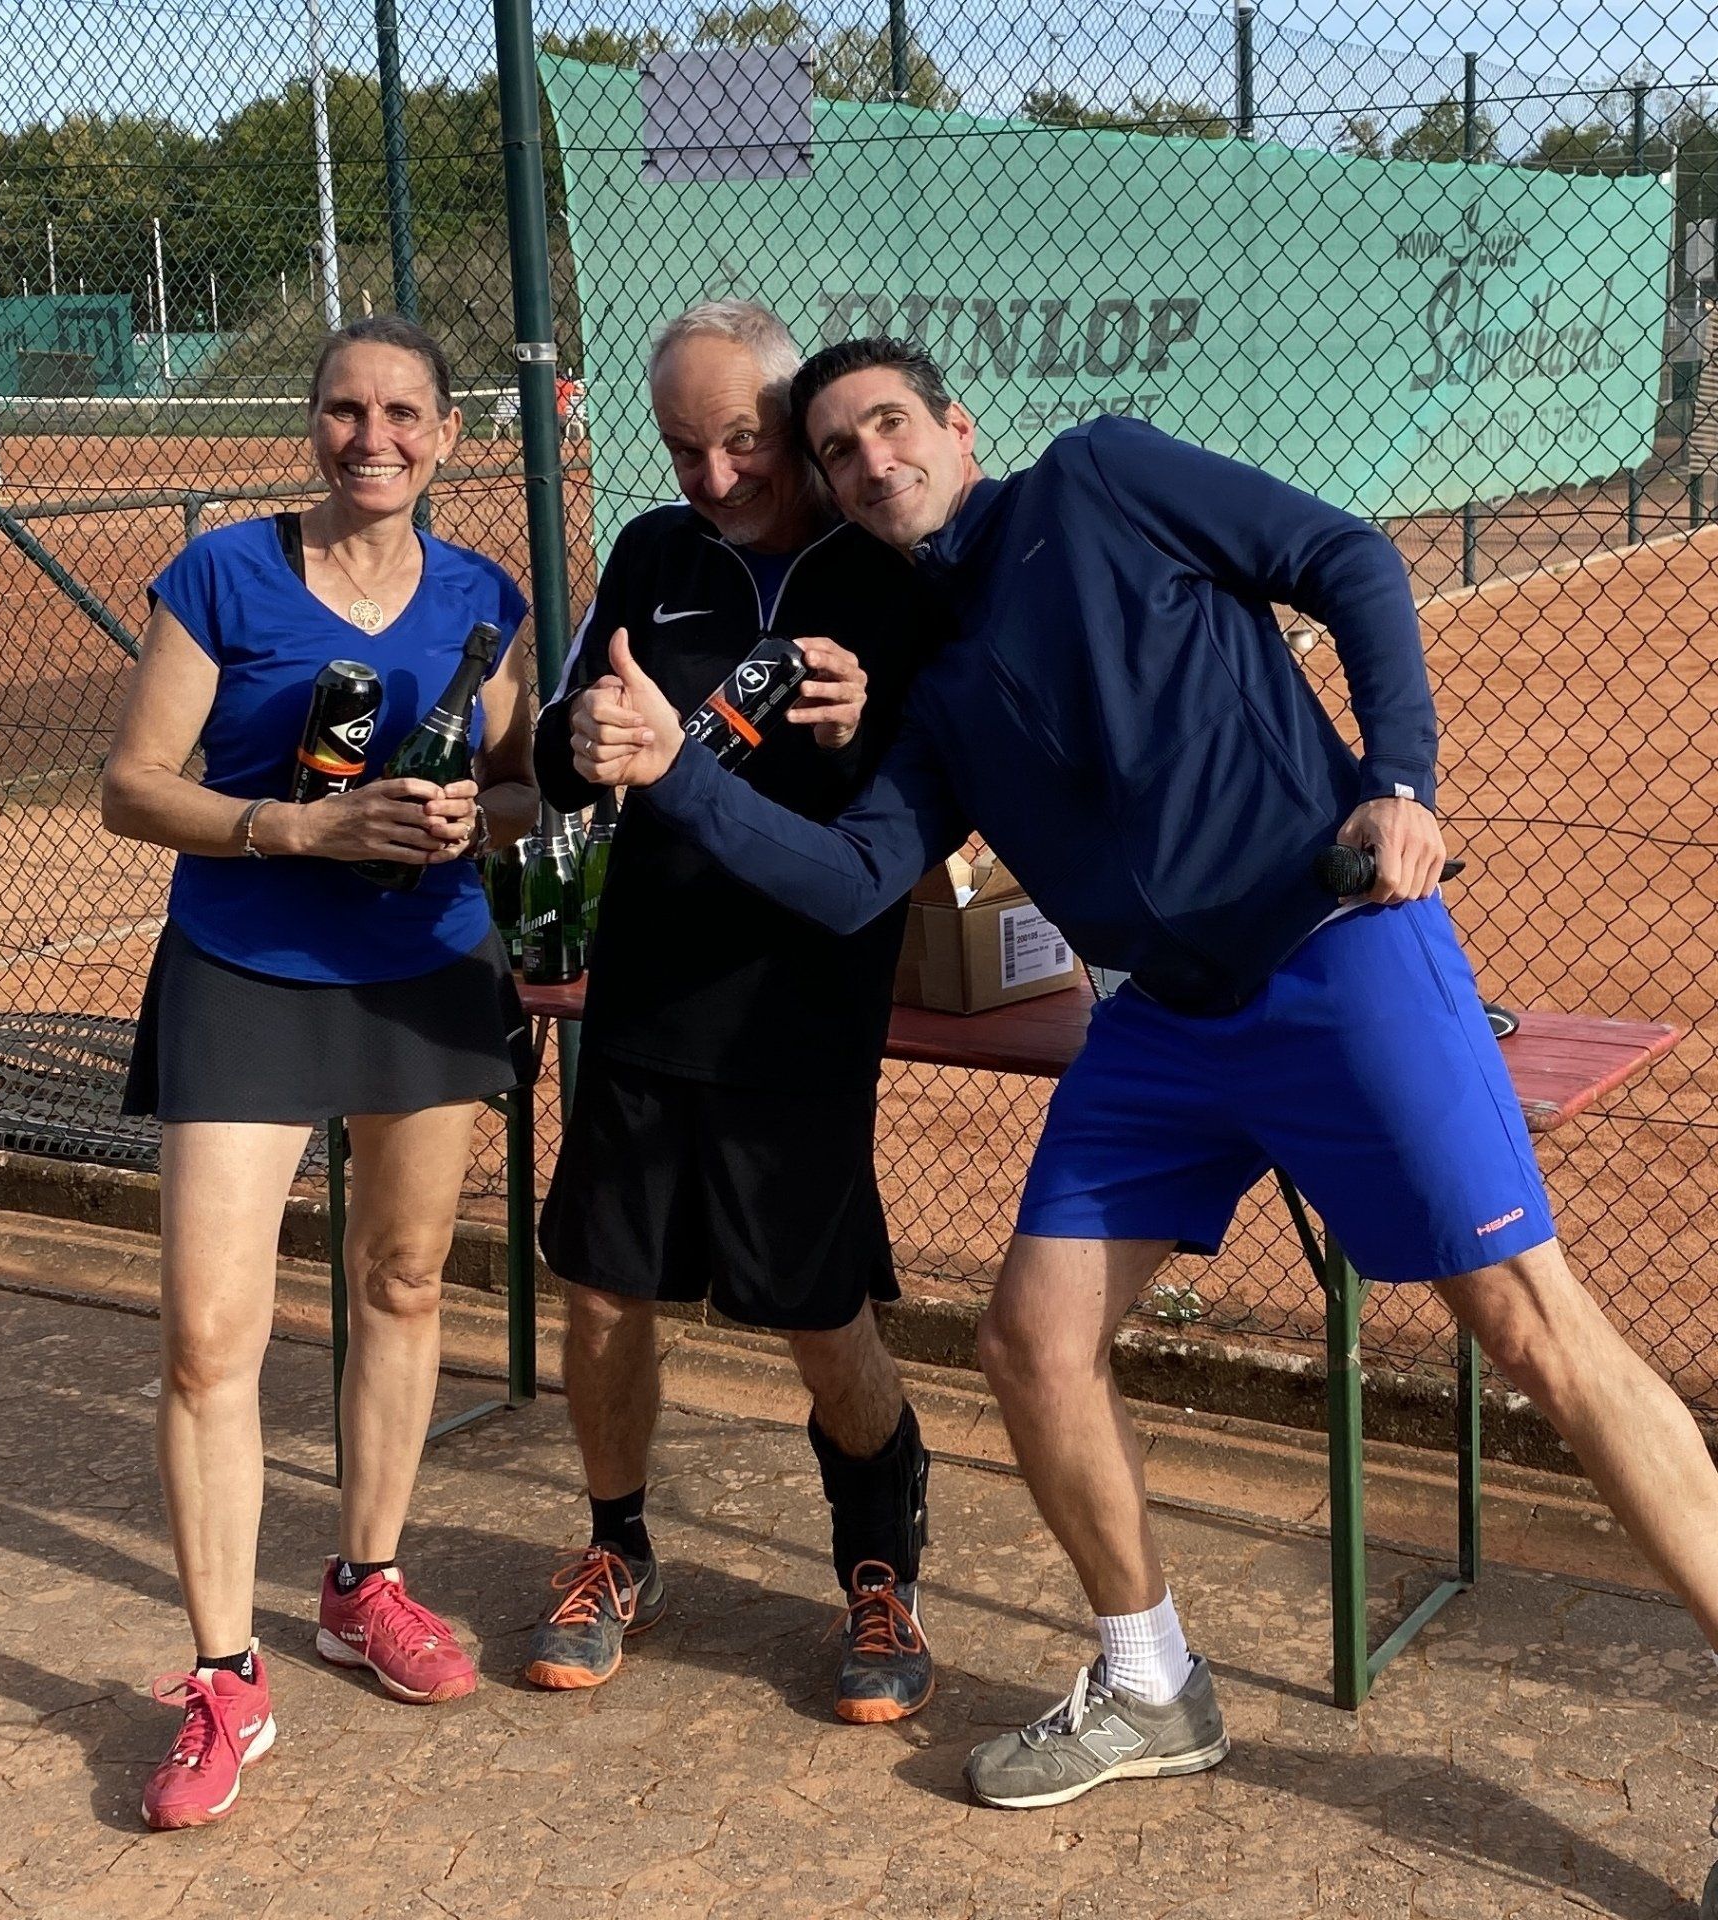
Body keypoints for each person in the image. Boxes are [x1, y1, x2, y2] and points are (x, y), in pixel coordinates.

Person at [574, 334, 1718, 1816]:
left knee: (1535, 1332)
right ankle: (1152, 1681)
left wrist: (1398, 781)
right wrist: (677, 775)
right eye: (839, 452)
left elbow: (1349, 558)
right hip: (1164, 1025)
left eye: (891, 426)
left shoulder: (1101, 477)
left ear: (959, 427)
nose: (870, 463)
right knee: (1031, 1345)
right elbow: (856, 879)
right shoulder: (934, 683)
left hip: (1333, 954)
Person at [101, 314, 538, 1830]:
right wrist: (296, 828)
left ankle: (367, 1584)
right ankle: (226, 1677)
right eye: (347, 409)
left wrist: (474, 816)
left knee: (404, 1281)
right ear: (312, 423)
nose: (374, 438)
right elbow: (132, 785)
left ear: (448, 436)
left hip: (428, 967)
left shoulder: (485, 597)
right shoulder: (224, 572)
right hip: (245, 967)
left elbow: (519, 784)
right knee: (207, 1340)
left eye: (405, 413)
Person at [525, 302, 949, 1721]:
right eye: (681, 448)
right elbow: (561, 744)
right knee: (603, 1293)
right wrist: (582, 740)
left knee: (820, 1316)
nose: (712, 477)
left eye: (741, 442)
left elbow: (935, 779)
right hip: (648, 989)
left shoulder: (890, 574)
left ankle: (879, 1561)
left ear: (795, 431)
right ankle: (618, 1549)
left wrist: (867, 717)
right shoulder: (655, 554)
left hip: (803, 1005)